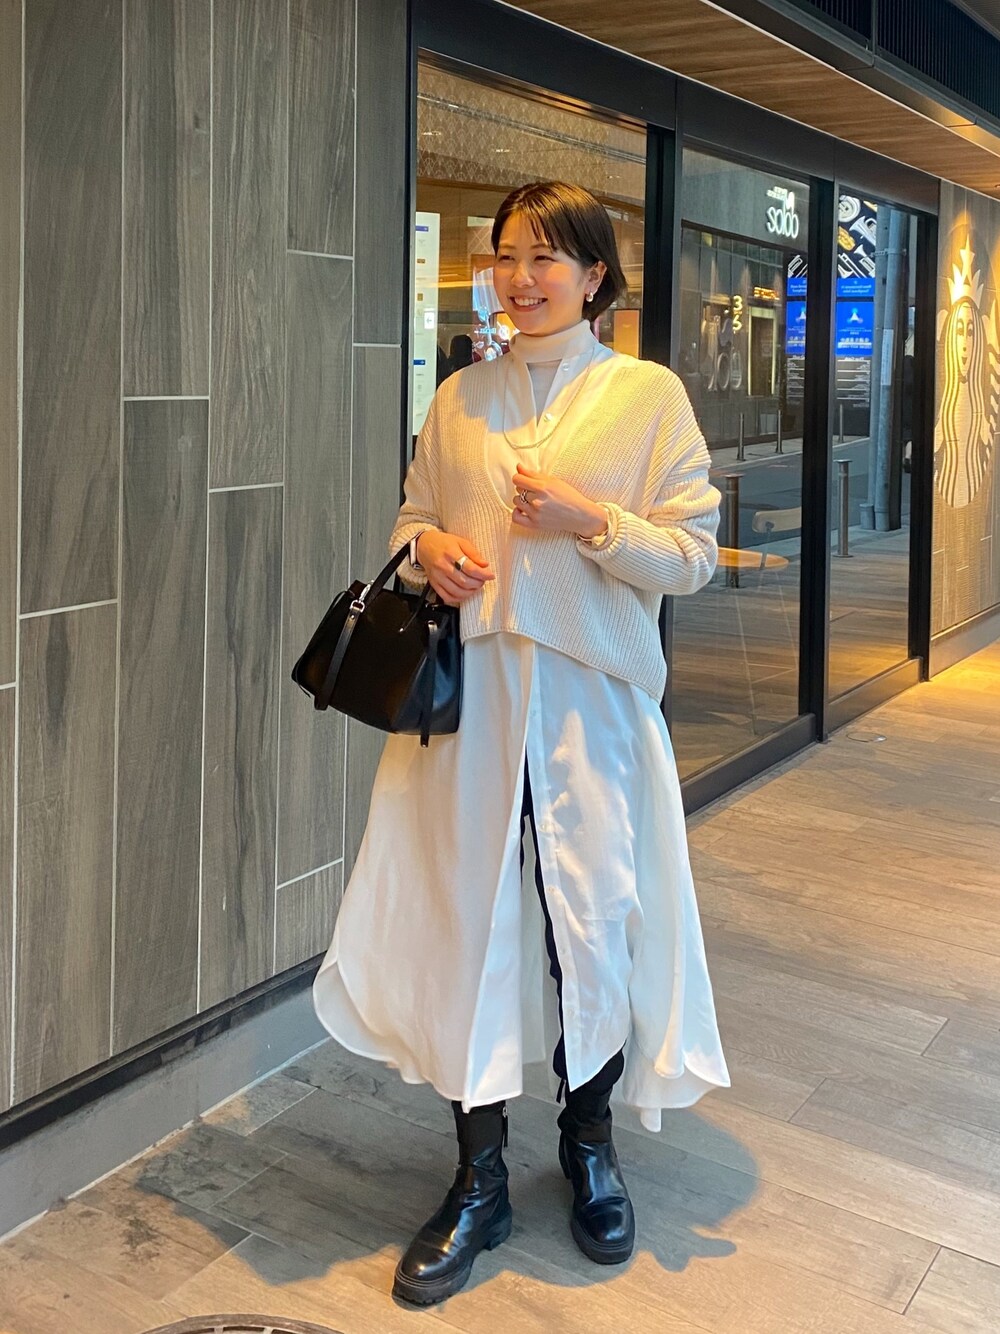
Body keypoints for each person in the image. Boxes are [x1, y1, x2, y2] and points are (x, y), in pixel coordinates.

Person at [313, 180, 730, 1306]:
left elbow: (693, 554)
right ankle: (478, 1176)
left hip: (592, 702)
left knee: (590, 917)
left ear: (595, 276)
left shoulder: (645, 396)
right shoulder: (461, 396)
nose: (522, 275)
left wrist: (592, 523)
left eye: (549, 257)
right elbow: (412, 519)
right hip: (472, 701)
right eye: (508, 254)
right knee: (469, 922)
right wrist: (431, 550)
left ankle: (589, 1146)